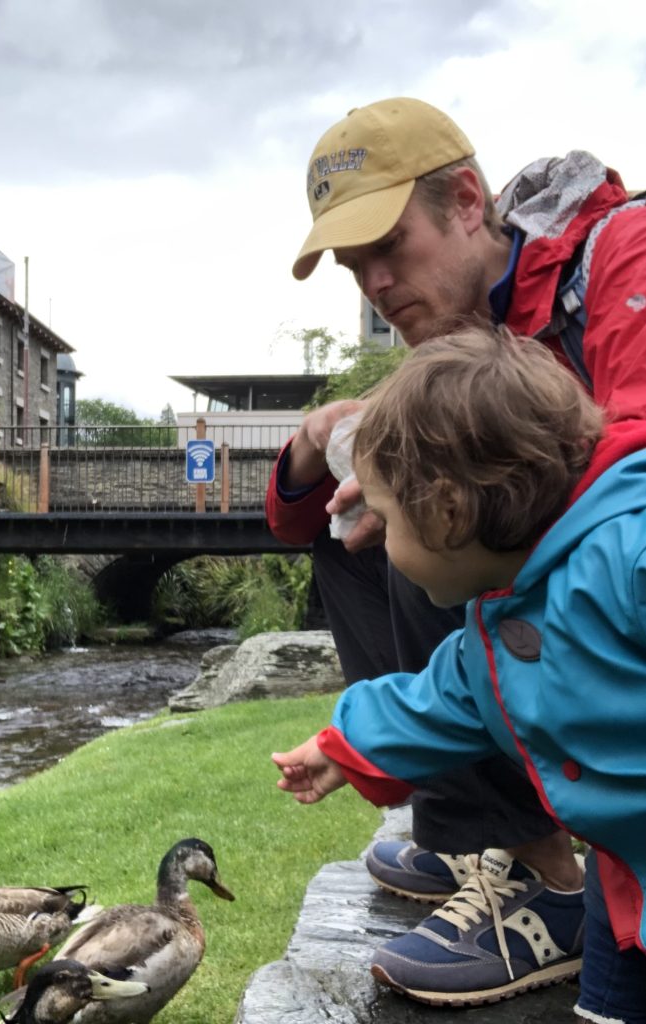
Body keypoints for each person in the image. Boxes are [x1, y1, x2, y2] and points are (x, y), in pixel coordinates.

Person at [266, 96, 646, 1003]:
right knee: (360, 539)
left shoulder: (618, 254)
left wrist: (453, 481)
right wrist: (324, 437)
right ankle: (501, 839)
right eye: (356, 268)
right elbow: (289, 523)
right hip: (552, 598)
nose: (376, 285)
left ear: (467, 201)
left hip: (610, 568)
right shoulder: (460, 338)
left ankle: (547, 878)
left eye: (389, 249)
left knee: (429, 529)